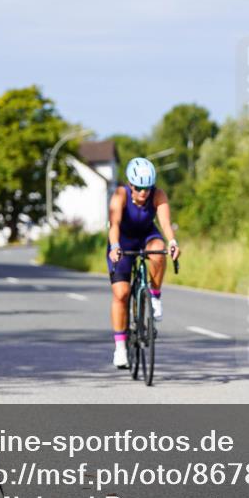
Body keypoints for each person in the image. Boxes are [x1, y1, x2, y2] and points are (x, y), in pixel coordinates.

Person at [106, 157, 181, 369]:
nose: (143, 192)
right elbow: (114, 224)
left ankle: (154, 296)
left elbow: (165, 223)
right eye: (138, 188)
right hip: (122, 240)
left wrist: (173, 242)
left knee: (158, 251)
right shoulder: (120, 194)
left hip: (147, 236)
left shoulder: (158, 195)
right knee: (121, 293)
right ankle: (120, 348)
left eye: (147, 188)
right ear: (130, 184)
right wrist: (114, 246)